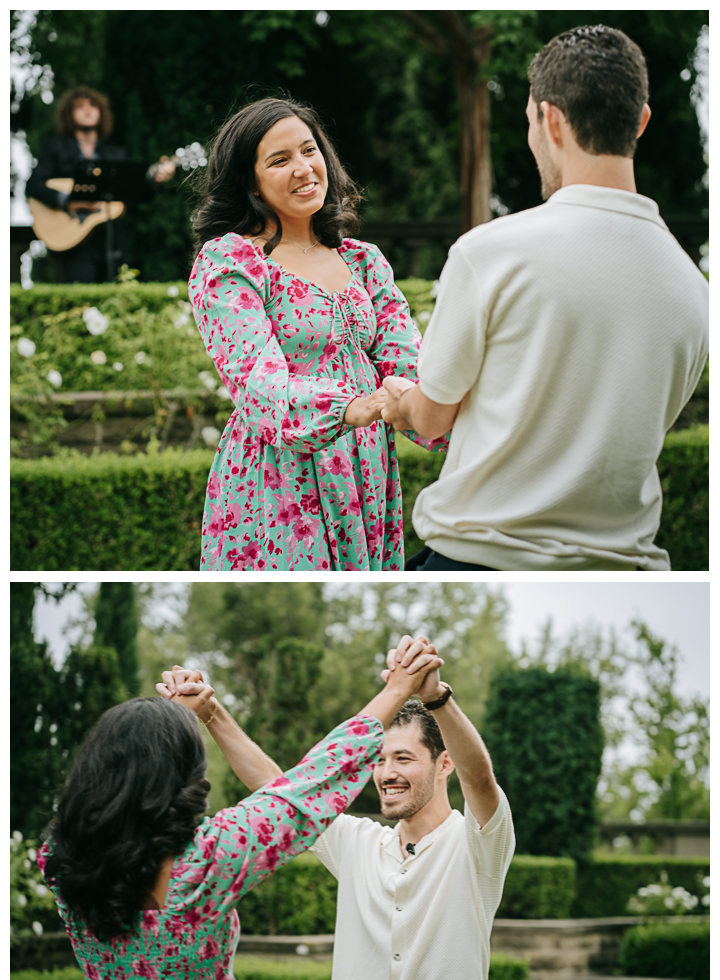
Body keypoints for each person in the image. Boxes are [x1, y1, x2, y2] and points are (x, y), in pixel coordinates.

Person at [381, 25, 709, 572]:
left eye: (531, 121)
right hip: (625, 572)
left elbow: (433, 417)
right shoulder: (693, 289)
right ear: (642, 121)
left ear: (550, 120)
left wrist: (399, 401)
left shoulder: (490, 252)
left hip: (482, 561)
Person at [37, 635, 443, 980]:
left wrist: (176, 722)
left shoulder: (59, 858)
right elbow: (306, 785)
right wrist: (395, 690)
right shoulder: (205, 862)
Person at [188, 96, 446, 572]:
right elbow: (259, 385)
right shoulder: (231, 263)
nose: (304, 168)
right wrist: (353, 407)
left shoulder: (363, 260)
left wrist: (467, 422)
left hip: (367, 467)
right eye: (280, 160)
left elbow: (411, 367)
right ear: (250, 180)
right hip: (279, 478)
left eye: (310, 151)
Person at [312, 637, 515, 980]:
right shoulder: (356, 842)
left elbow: (479, 779)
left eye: (403, 758)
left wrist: (435, 698)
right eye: (380, 759)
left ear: (445, 765)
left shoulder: (476, 841)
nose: (386, 773)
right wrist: (213, 714)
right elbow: (282, 795)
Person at [26, 85, 175, 282]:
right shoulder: (56, 147)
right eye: (80, 106)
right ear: (69, 115)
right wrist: (68, 200)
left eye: (92, 106)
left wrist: (156, 180)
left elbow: (135, 192)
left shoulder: (116, 153)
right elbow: (34, 185)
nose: (87, 110)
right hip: (75, 238)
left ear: (101, 113)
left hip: (112, 238)